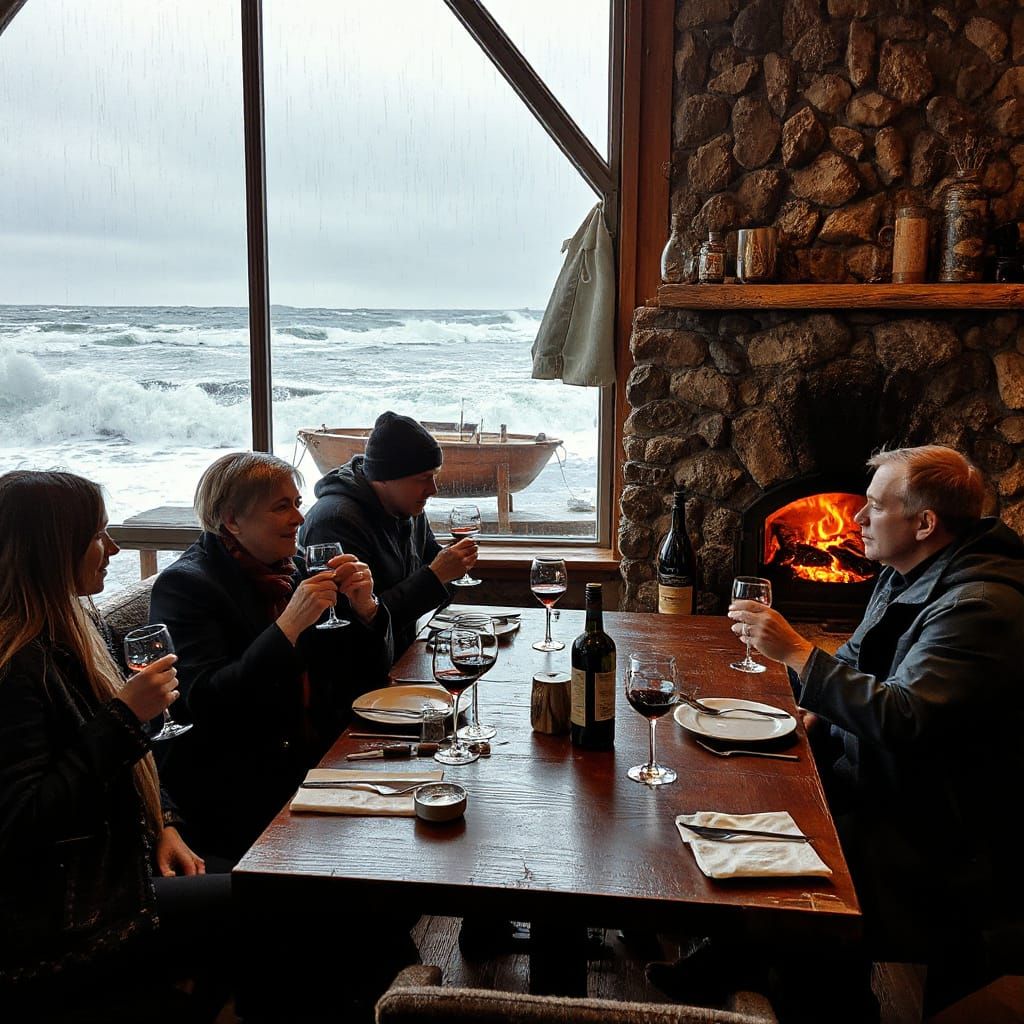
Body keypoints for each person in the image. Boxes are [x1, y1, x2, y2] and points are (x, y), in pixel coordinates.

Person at [728, 445, 1024, 1015]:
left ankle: (812, 992)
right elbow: (860, 658)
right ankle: (734, 953)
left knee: (791, 866)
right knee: (748, 783)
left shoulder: (979, 606)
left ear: (924, 523)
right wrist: (808, 721)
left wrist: (794, 651)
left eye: (872, 507)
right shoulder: (911, 571)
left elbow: (903, 717)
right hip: (885, 785)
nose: (857, 519)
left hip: (938, 831)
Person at [0, 471, 231, 1022]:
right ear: (54, 548)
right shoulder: (15, 666)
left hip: (115, 868)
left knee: (279, 884)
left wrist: (167, 825)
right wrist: (125, 717)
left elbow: (133, 765)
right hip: (63, 918)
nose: (115, 548)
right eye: (99, 534)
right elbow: (20, 823)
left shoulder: (78, 621)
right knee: (276, 902)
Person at [149, 452, 393, 863]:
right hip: (237, 789)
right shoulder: (186, 586)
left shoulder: (294, 568)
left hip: (318, 760)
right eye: (282, 507)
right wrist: (287, 629)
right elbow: (204, 702)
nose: (299, 519)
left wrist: (367, 610)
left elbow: (365, 673)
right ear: (232, 520)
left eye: (297, 504)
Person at [299, 410, 478, 656]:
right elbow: (352, 629)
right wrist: (435, 577)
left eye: (435, 476)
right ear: (385, 478)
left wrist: (449, 570)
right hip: (359, 680)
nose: (433, 489)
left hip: (402, 658)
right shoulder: (335, 523)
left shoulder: (407, 507)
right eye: (424, 478)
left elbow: (439, 580)